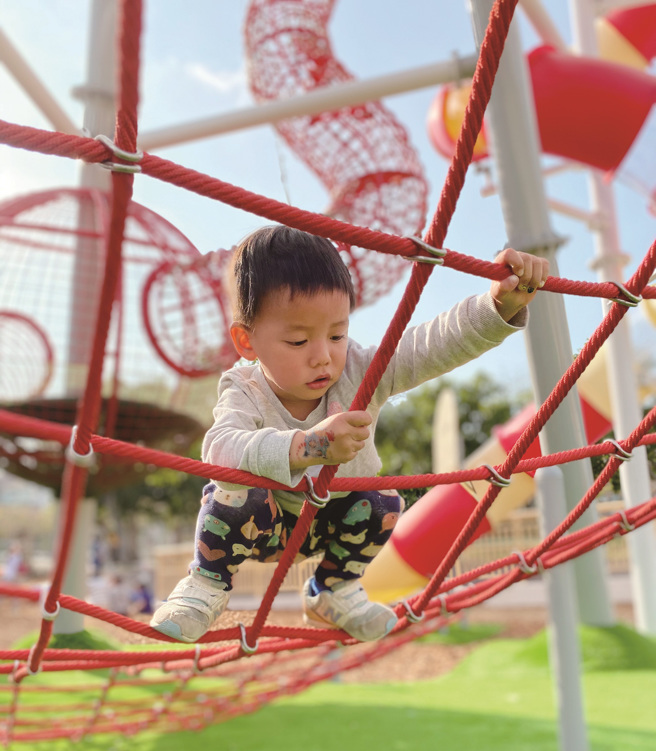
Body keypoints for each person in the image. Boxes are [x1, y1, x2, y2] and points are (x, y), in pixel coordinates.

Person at [151, 225, 548, 644]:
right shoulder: (245, 388)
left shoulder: (359, 371)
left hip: (331, 526)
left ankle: (332, 591)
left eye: (337, 334)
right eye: (298, 339)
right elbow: (218, 450)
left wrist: (497, 305)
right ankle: (207, 586)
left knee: (384, 500)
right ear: (246, 341)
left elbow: (427, 347)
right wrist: (309, 446)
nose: (323, 355)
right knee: (231, 490)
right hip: (264, 527)